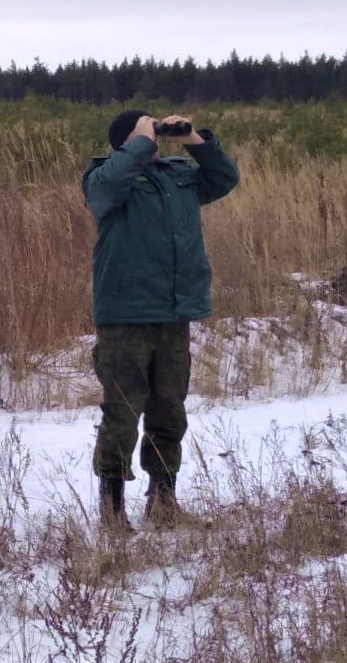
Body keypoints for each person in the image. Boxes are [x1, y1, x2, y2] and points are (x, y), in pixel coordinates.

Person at [82, 110, 239, 530]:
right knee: (122, 411)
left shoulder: (177, 175)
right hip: (125, 315)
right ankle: (112, 513)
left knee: (170, 411)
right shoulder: (104, 176)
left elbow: (224, 178)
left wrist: (193, 140)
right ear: (126, 139)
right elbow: (107, 188)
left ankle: (163, 501)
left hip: (173, 311)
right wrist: (141, 141)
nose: (156, 134)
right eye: (145, 127)